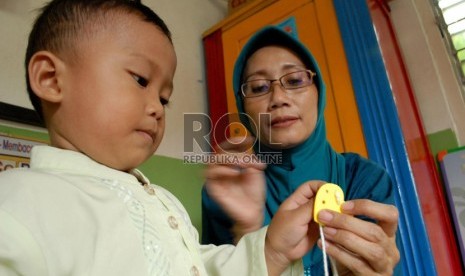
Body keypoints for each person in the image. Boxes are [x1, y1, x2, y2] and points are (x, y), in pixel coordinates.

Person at [0, 2, 324, 275]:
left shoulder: (164, 202)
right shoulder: (18, 201)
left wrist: (270, 252)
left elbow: (195, 265)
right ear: (51, 79)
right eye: (140, 80)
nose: (157, 107)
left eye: (165, 98)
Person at [202, 25, 401, 275]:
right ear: (243, 108)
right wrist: (247, 230)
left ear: (320, 94)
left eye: (295, 80)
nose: (278, 98)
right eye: (259, 87)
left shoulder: (365, 180)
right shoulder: (225, 190)